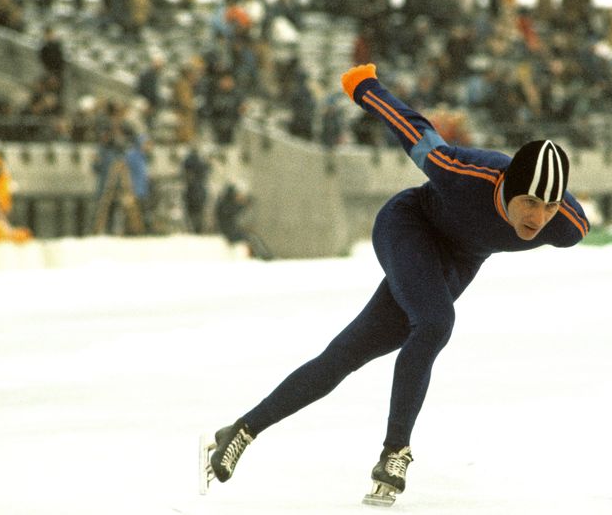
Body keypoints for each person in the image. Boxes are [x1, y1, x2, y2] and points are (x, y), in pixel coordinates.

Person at [205, 63, 590, 504]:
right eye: (528, 202)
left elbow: (562, 217)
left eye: (548, 207)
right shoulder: (465, 174)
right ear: (506, 187)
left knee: (347, 353)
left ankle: (241, 430)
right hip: (408, 226)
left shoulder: (566, 227)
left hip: (456, 262)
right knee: (434, 322)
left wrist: (549, 212)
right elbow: (415, 130)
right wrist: (365, 87)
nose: (537, 218)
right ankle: (395, 452)